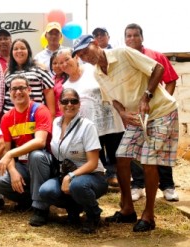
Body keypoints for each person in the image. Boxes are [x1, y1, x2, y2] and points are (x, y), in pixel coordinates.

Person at [73, 35, 179, 232]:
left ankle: (149, 216)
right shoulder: (97, 73)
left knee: (149, 161)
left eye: (86, 51)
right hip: (136, 117)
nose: (85, 56)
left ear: (96, 44)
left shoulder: (123, 52)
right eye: (80, 55)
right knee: (121, 157)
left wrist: (146, 97)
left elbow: (158, 68)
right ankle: (128, 209)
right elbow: (112, 99)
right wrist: (122, 113)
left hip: (161, 111)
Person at [39, 88, 108, 233]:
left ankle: (93, 214)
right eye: (65, 101)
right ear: (59, 104)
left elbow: (93, 163)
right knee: (45, 191)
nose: (69, 104)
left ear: (79, 104)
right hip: (65, 175)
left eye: (74, 101)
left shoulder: (87, 126)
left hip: (92, 177)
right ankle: (74, 209)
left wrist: (70, 176)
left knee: (77, 185)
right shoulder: (56, 122)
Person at [124, 23, 180, 202]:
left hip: (158, 114)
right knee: (136, 150)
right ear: (125, 39)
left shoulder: (155, 56)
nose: (132, 38)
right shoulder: (124, 60)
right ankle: (138, 185)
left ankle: (168, 186)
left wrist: (164, 103)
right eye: (128, 35)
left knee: (159, 150)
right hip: (135, 113)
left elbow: (171, 80)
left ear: (142, 37)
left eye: (135, 35)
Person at [56, 48, 124, 187]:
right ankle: (102, 177)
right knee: (96, 151)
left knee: (114, 149)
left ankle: (116, 176)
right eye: (60, 62)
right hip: (90, 123)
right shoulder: (66, 86)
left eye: (67, 59)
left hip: (109, 117)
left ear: (76, 58)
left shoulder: (90, 68)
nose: (64, 64)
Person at [0, 75, 53, 226]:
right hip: (22, 164)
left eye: (22, 88)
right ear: (9, 93)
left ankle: (41, 208)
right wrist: (12, 171)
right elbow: (7, 149)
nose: (18, 92)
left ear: (29, 90)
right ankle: (29, 200)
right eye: (14, 89)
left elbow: (40, 141)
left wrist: (11, 154)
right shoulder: (7, 118)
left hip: (43, 163)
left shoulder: (40, 110)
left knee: (36, 155)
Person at [2, 39, 55, 117]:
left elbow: (49, 92)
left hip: (35, 117)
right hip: (11, 119)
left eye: (23, 48)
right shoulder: (8, 72)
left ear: (28, 51)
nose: (19, 51)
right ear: (12, 53)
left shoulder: (40, 69)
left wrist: (51, 117)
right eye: (15, 49)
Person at [49, 51, 68, 117]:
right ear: (51, 66)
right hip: (52, 116)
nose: (57, 66)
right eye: (54, 63)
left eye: (60, 63)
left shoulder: (69, 80)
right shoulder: (49, 80)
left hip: (65, 115)